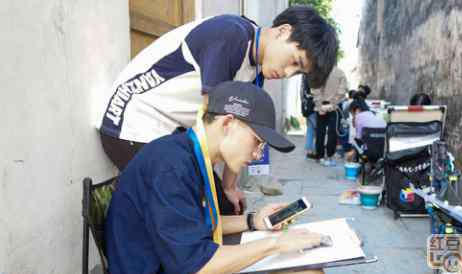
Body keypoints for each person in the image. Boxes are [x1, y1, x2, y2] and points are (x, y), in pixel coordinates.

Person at [98, 6, 338, 215]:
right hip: (130, 126)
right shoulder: (229, 35)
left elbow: (244, 128)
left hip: (168, 134)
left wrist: (229, 187)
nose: (287, 73)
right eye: (294, 61)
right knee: (201, 209)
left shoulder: (255, 70)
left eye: (297, 72)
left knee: (225, 205)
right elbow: (212, 126)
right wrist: (211, 189)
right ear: (283, 31)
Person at [105, 82, 326, 274]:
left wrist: (253, 221)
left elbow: (196, 222)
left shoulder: (189, 152)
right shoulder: (170, 165)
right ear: (228, 124)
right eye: (257, 141)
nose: (258, 154)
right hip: (166, 268)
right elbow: (195, 266)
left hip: (178, 261)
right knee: (304, 269)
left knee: (304, 265)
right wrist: (275, 244)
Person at [311, 66, 347, 166]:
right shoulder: (340, 72)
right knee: (333, 132)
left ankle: (320, 156)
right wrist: (333, 103)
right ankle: (330, 156)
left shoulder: (318, 71)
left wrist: (319, 105)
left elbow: (315, 89)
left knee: (320, 132)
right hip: (334, 107)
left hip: (321, 106)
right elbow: (342, 91)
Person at [301, 75, 318, 159]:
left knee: (310, 129)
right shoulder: (312, 78)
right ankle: (314, 151)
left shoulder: (304, 77)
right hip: (313, 107)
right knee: (316, 130)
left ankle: (309, 151)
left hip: (307, 107)